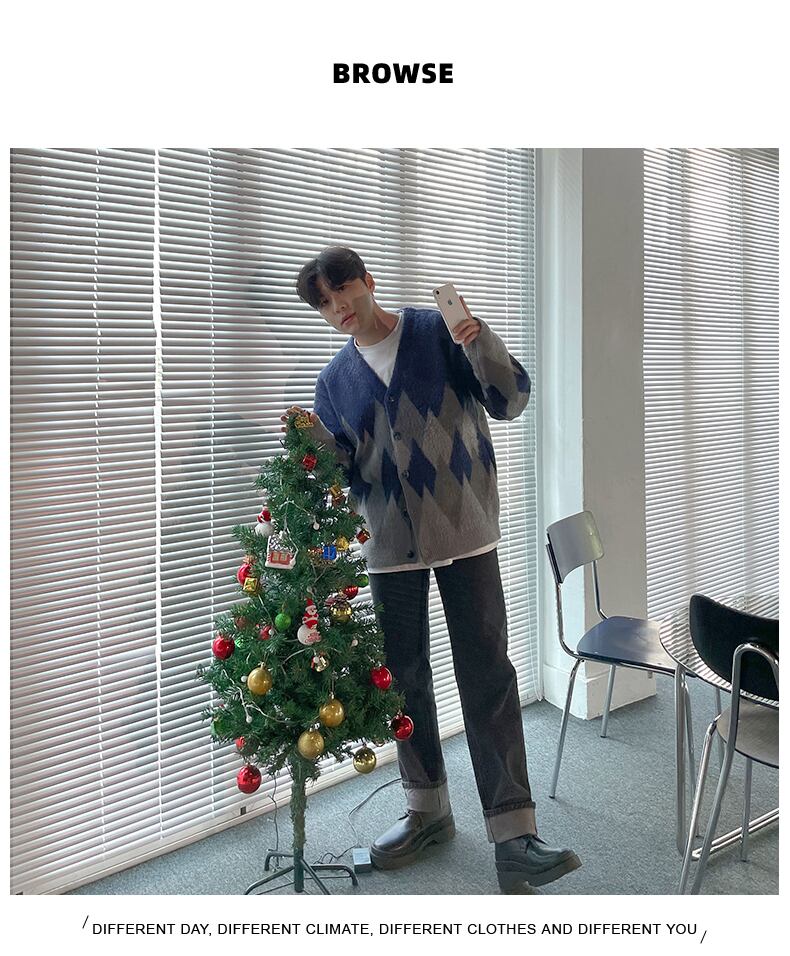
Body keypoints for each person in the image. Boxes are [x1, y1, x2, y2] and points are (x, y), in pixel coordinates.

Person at [282, 246, 581, 892]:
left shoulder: (437, 332)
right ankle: (427, 811)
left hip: (464, 530)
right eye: (324, 304)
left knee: (488, 676)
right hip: (389, 548)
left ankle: (515, 834)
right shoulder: (334, 381)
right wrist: (312, 441)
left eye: (343, 290)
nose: (338, 308)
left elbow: (510, 400)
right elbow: (343, 470)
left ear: (368, 281)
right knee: (404, 682)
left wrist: (479, 341)